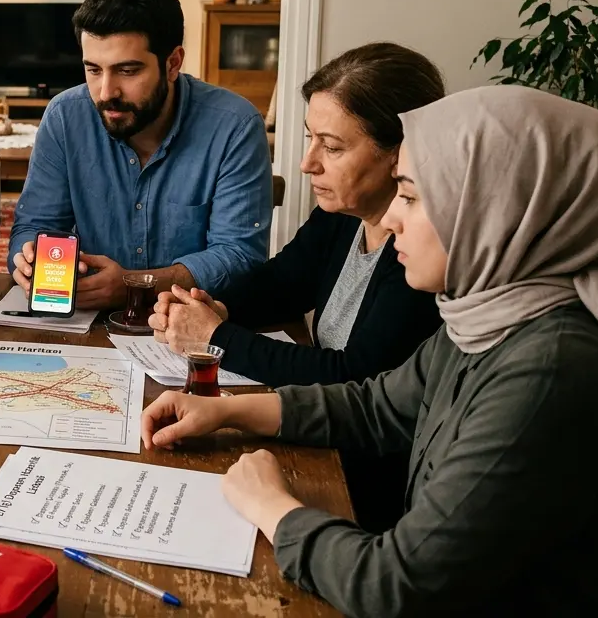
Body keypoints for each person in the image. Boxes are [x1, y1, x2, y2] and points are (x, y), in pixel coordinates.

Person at [140, 86, 598, 616]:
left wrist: (271, 505)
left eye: (412, 197)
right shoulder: (490, 313)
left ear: (500, 209)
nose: (392, 217)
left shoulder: (549, 370)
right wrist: (227, 410)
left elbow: (393, 584)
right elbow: (377, 406)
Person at [149, 43, 446, 532]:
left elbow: (355, 377)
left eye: (331, 147)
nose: (308, 163)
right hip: (324, 434)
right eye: (311, 139)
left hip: (366, 479)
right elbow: (282, 282)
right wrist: (210, 305)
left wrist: (215, 338)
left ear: (399, 153)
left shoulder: (423, 255)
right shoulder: (345, 213)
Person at [9, 0, 271, 310]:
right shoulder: (64, 116)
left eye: (128, 71)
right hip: (85, 319)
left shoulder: (235, 125)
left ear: (173, 63)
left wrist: (136, 286)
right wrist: (29, 259)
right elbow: (36, 225)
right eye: (93, 70)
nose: (106, 93)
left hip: (191, 322)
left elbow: (240, 255)